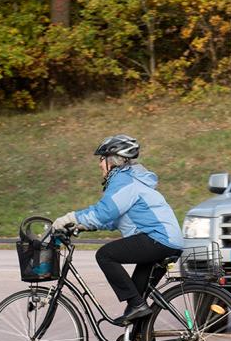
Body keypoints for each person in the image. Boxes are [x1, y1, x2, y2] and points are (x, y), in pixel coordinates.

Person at [51, 135, 184, 325]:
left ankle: (137, 307)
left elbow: (104, 212)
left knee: (105, 255)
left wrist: (70, 218)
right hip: (166, 242)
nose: (99, 165)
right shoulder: (131, 179)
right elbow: (114, 219)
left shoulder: (124, 181)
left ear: (112, 161)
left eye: (101, 159)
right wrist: (81, 225)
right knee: (138, 298)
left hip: (158, 240)